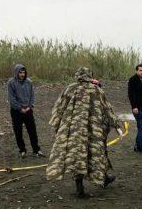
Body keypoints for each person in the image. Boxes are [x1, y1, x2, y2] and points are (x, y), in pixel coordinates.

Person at [46, 67, 123, 198]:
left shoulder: (70, 88)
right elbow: (107, 109)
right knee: (95, 154)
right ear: (90, 76)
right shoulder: (96, 90)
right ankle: (98, 181)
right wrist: (116, 125)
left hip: (72, 130)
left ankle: (85, 186)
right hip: (92, 131)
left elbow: (59, 108)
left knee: (77, 156)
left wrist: (56, 125)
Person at [7, 63, 43, 158]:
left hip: (28, 110)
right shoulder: (11, 83)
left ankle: (36, 150)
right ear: (16, 73)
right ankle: (22, 150)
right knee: (18, 131)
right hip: (16, 111)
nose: (22, 74)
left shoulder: (29, 82)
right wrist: (20, 108)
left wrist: (29, 106)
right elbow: (11, 99)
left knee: (32, 131)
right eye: (20, 72)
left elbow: (32, 96)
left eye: (23, 72)